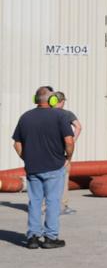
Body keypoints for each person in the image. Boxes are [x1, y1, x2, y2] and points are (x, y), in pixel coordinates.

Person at [12, 86, 76, 249]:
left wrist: (26, 158)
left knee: (34, 202)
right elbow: (69, 141)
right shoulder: (60, 115)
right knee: (53, 202)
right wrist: (68, 158)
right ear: (52, 100)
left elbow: (17, 143)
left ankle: (33, 237)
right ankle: (50, 238)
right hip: (54, 166)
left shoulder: (25, 117)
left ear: (36, 100)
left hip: (33, 168)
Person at [53, 90, 82, 215]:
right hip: (62, 151)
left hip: (48, 151)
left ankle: (43, 207)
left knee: (46, 180)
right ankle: (62, 206)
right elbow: (79, 127)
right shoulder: (67, 114)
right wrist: (72, 141)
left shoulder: (47, 114)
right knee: (63, 179)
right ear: (62, 101)